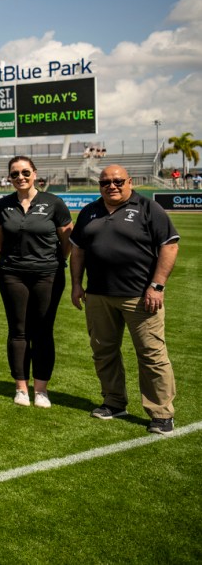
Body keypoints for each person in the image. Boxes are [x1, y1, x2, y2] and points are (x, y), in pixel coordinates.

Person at [70, 165, 179, 434]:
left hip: (140, 297)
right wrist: (76, 284)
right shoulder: (89, 211)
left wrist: (157, 286)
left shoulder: (147, 208)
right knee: (103, 352)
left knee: (152, 355)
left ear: (129, 182)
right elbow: (78, 251)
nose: (112, 186)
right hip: (98, 295)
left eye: (118, 181)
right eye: (105, 182)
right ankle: (114, 401)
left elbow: (170, 245)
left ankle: (161, 412)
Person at [0, 156, 72, 408]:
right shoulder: (3, 205)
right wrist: (14, 260)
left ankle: (41, 390)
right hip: (12, 274)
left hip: (47, 275)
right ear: (9, 177)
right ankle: (21, 388)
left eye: (25, 172)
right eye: (14, 174)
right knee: (18, 331)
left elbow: (67, 240)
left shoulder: (54, 203)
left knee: (42, 331)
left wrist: (50, 261)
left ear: (35, 173)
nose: (20, 177)